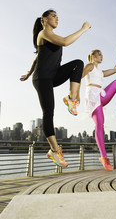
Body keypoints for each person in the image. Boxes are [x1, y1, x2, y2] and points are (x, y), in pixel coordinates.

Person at [20, 9, 91, 168]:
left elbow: (37, 57)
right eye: (53, 16)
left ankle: (71, 99)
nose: (57, 19)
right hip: (42, 78)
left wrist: (28, 71)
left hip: (53, 75)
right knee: (48, 111)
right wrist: (84, 29)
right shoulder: (44, 34)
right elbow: (65, 41)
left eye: (58, 17)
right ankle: (54, 150)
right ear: (44, 20)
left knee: (78, 64)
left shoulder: (51, 37)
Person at [82, 47, 116, 171]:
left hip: (101, 94)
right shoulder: (90, 66)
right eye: (99, 55)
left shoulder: (100, 72)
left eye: (102, 55)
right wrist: (73, 95)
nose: (102, 57)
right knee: (100, 125)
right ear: (93, 56)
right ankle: (104, 157)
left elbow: (115, 69)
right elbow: (79, 76)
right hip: (92, 97)